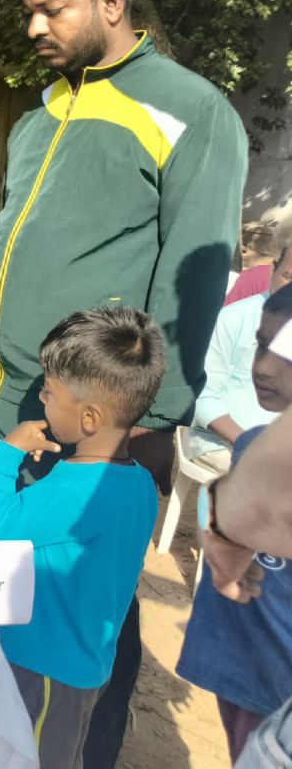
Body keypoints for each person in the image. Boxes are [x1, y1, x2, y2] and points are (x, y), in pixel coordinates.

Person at [0, 0, 248, 761]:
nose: (34, 28)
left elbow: (194, 280)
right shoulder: (44, 113)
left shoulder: (193, 112)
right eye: (29, 12)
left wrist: (151, 421)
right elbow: (8, 250)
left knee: (83, 603)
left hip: (85, 421)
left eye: (51, 9)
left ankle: (81, 749)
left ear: (111, 2)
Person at [0, 307, 164, 767]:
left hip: (41, 668)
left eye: (49, 391)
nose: (41, 399)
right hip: (86, 664)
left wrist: (6, 457)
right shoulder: (141, 484)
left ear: (89, 417)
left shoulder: (71, 489)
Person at [177, 284, 292, 763]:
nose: (262, 367)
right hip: (243, 672)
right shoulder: (254, 446)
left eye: (285, 352)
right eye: (262, 345)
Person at [188, 241, 292, 471]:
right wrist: (246, 441)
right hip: (224, 442)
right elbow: (204, 395)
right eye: (289, 277)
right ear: (274, 268)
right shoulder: (234, 319)